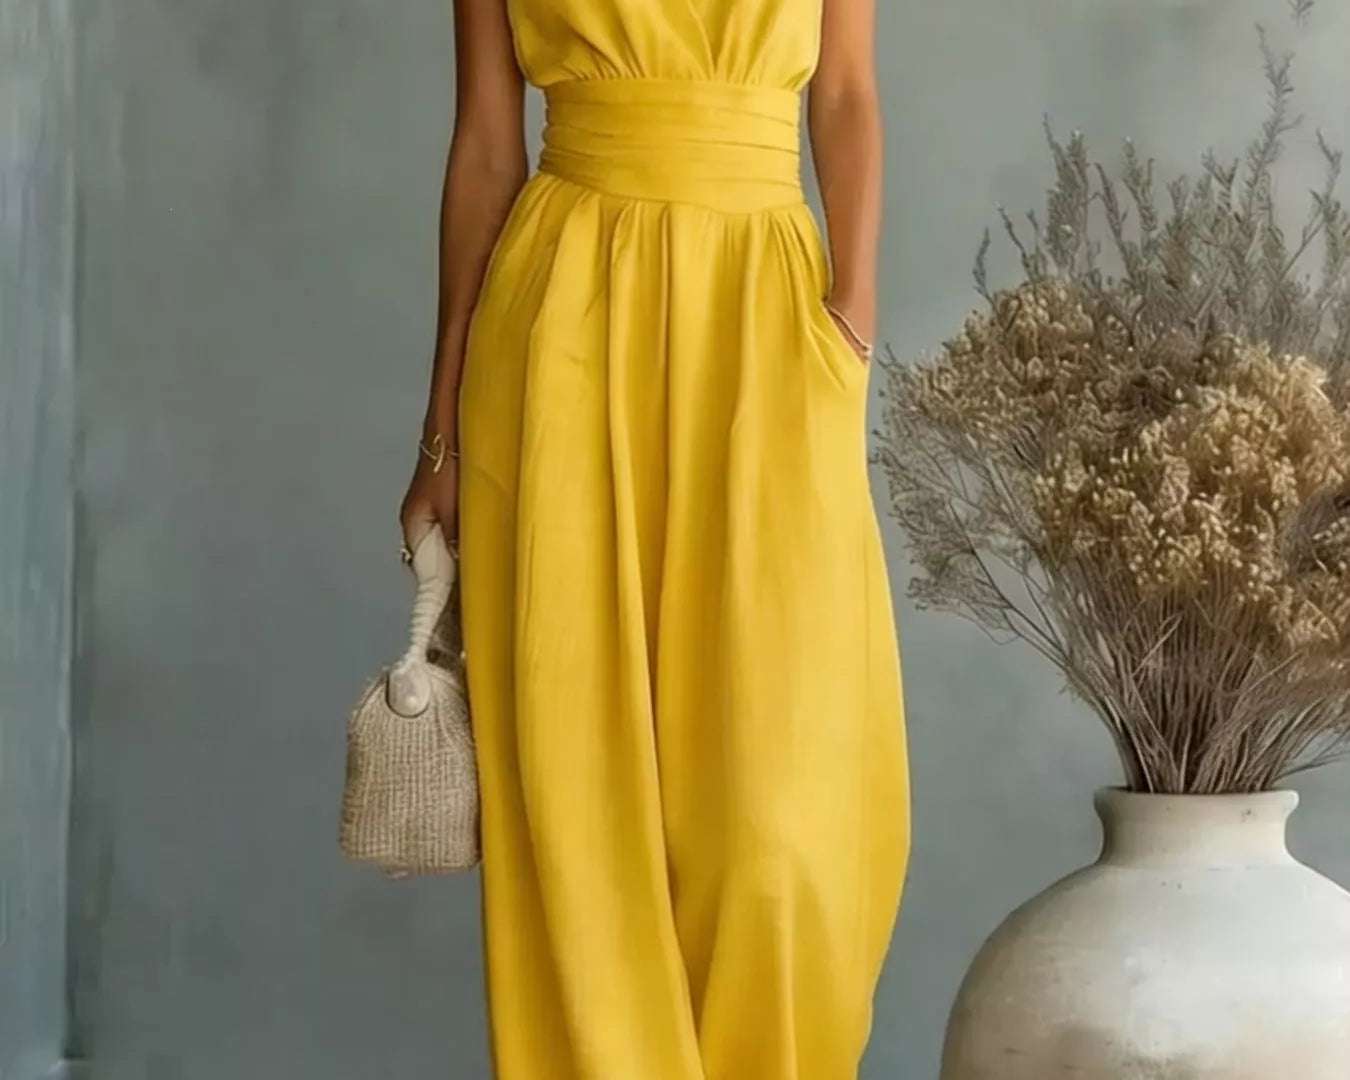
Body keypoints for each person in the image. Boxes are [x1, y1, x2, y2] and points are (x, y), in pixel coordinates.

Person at [399, 0, 909, 1075]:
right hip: (561, 325)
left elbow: (848, 91)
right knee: (579, 795)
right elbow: (488, 146)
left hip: (765, 315)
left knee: (777, 826)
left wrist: (854, 320)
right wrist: (440, 432)